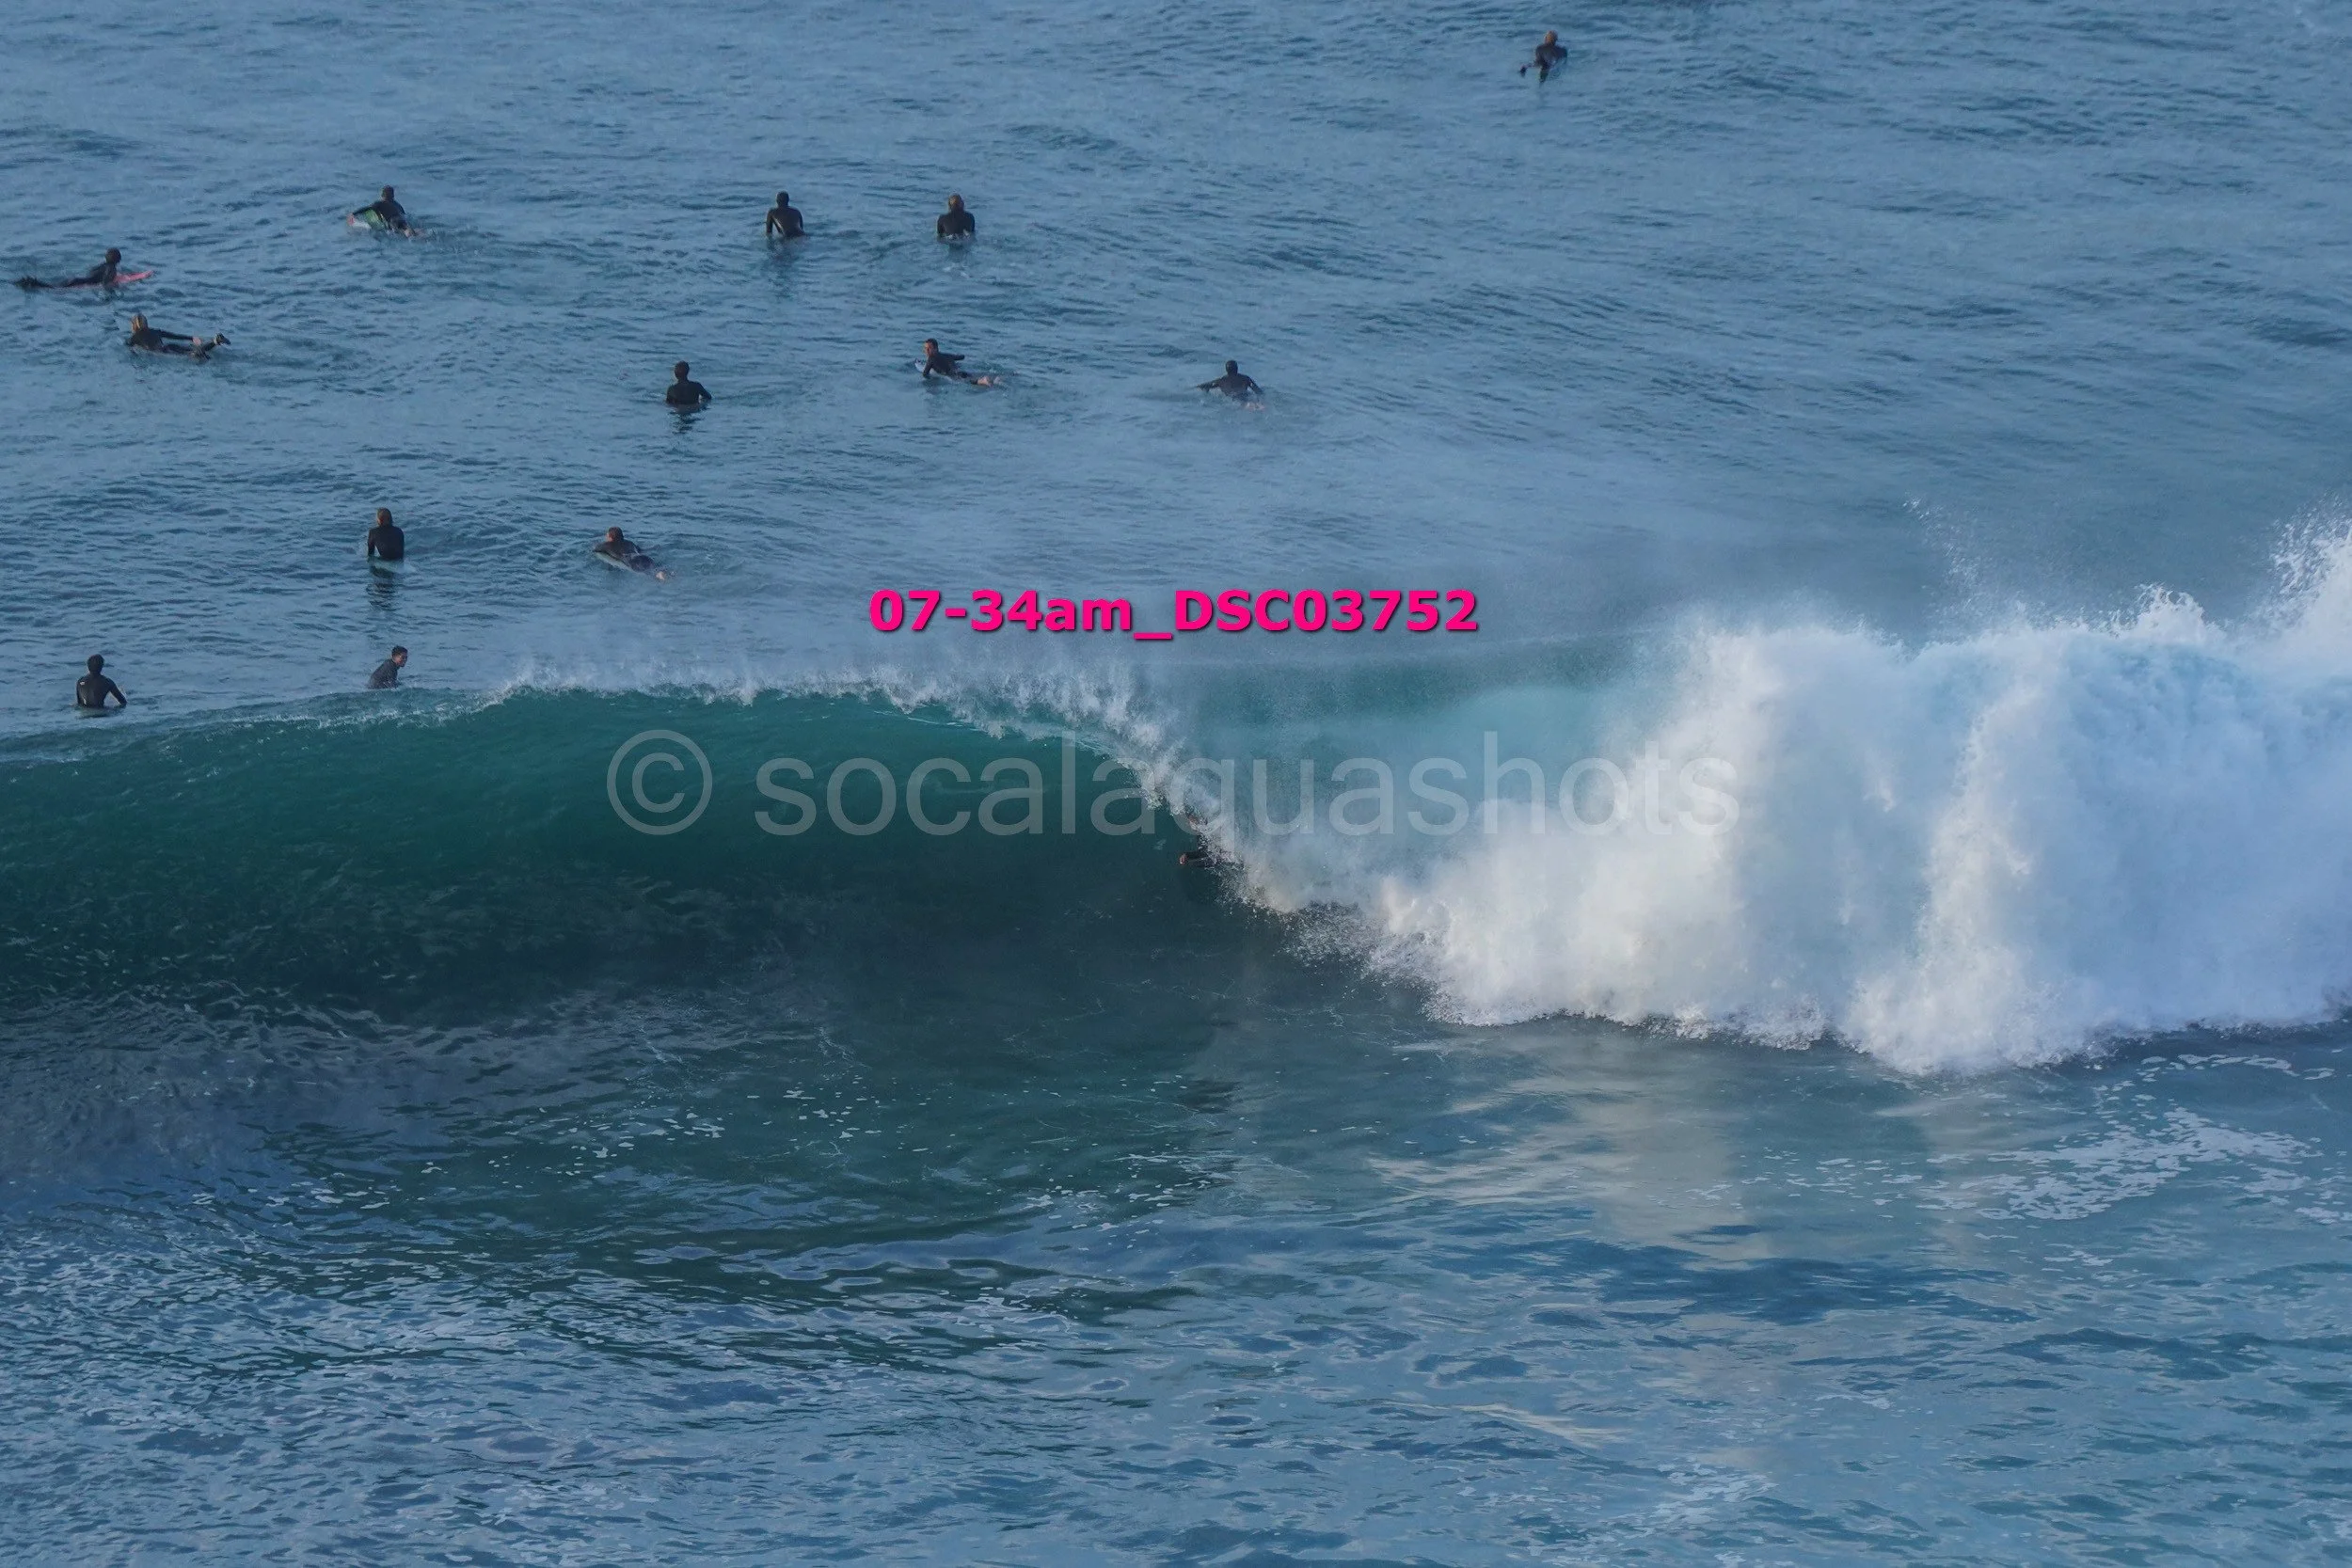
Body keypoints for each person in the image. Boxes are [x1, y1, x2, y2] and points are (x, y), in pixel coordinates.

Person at [17, 248, 122, 290]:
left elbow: (91, 273)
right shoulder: (111, 269)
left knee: (52, 286)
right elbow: (105, 283)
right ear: (118, 259)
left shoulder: (102, 265)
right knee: (52, 288)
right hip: (79, 283)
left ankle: (31, 282)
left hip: (75, 279)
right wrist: (116, 286)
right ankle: (32, 283)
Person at [125, 313, 226, 357]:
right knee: (193, 350)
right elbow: (174, 336)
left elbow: (129, 349)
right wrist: (191, 338)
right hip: (170, 346)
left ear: (133, 326)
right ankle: (215, 341)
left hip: (163, 352)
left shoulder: (133, 338)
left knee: (192, 354)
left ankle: (199, 352)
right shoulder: (155, 331)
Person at [593, 526, 669, 580]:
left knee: (649, 574)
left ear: (610, 537)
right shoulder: (630, 543)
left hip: (632, 561)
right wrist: (653, 548)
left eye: (607, 535)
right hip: (644, 558)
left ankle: (659, 576)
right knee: (656, 568)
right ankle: (664, 574)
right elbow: (640, 550)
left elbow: (595, 549)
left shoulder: (607, 545)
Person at [920, 339, 997, 387]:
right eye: (925, 348)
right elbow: (961, 357)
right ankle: (993, 380)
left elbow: (925, 374)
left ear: (936, 349)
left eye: (929, 348)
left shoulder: (931, 359)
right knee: (972, 377)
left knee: (970, 382)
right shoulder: (947, 355)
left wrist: (933, 381)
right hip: (960, 372)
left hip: (954, 376)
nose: (926, 350)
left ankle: (982, 381)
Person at [1198, 360, 1262, 399]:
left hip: (1232, 400)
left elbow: (1205, 386)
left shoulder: (1221, 381)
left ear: (1226, 370)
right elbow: (1258, 391)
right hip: (1245, 397)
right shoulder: (1246, 378)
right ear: (1237, 369)